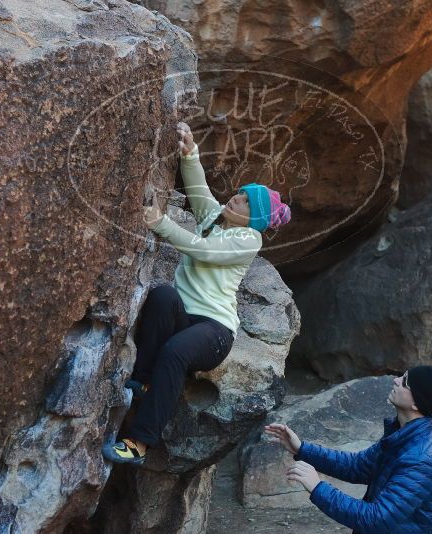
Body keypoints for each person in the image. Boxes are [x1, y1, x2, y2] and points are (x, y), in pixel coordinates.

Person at [102, 122, 292, 465]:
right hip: (184, 318)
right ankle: (143, 381)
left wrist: (161, 223)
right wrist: (190, 152)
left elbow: (203, 251)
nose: (237, 197)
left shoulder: (248, 240)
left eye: (246, 201)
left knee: (175, 351)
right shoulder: (216, 217)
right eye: (241, 193)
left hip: (215, 331)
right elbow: (199, 189)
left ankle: (139, 443)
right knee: (162, 297)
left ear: (255, 218)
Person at [265, 365, 432, 533]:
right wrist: (302, 449)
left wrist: (317, 487)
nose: (395, 380)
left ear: (416, 403)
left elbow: (375, 519)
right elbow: (358, 466)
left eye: (405, 382)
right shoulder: (403, 434)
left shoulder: (421, 459)